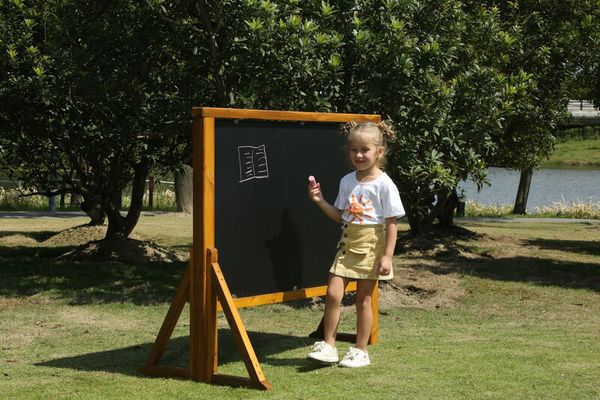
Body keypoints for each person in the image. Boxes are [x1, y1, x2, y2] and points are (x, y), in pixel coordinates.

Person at [307, 121, 405, 368]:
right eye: (354, 150)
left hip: (372, 246)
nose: (359, 155)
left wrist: (388, 256)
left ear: (379, 152)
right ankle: (329, 346)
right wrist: (319, 201)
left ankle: (360, 351)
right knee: (332, 293)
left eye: (365, 150)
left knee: (363, 301)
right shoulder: (347, 181)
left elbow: (392, 223)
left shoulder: (384, 184)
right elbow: (342, 216)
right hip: (347, 243)